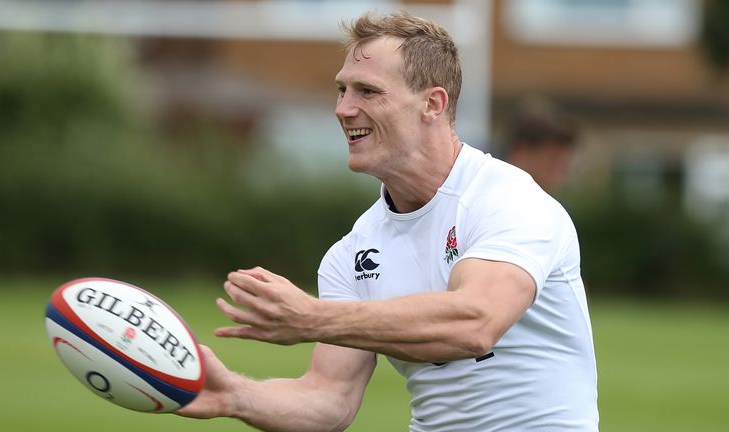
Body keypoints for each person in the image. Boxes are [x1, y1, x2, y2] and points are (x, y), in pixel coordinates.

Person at [177, 10, 599, 431]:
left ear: (432, 104)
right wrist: (233, 394)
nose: (343, 109)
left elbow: (476, 322)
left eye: (367, 91)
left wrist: (312, 317)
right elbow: (327, 400)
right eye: (342, 90)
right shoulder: (352, 253)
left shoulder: (508, 199)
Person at [502, 97, 580, 194]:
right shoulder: (490, 199)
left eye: (565, 160)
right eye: (554, 158)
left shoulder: (553, 206)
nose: (564, 171)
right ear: (521, 152)